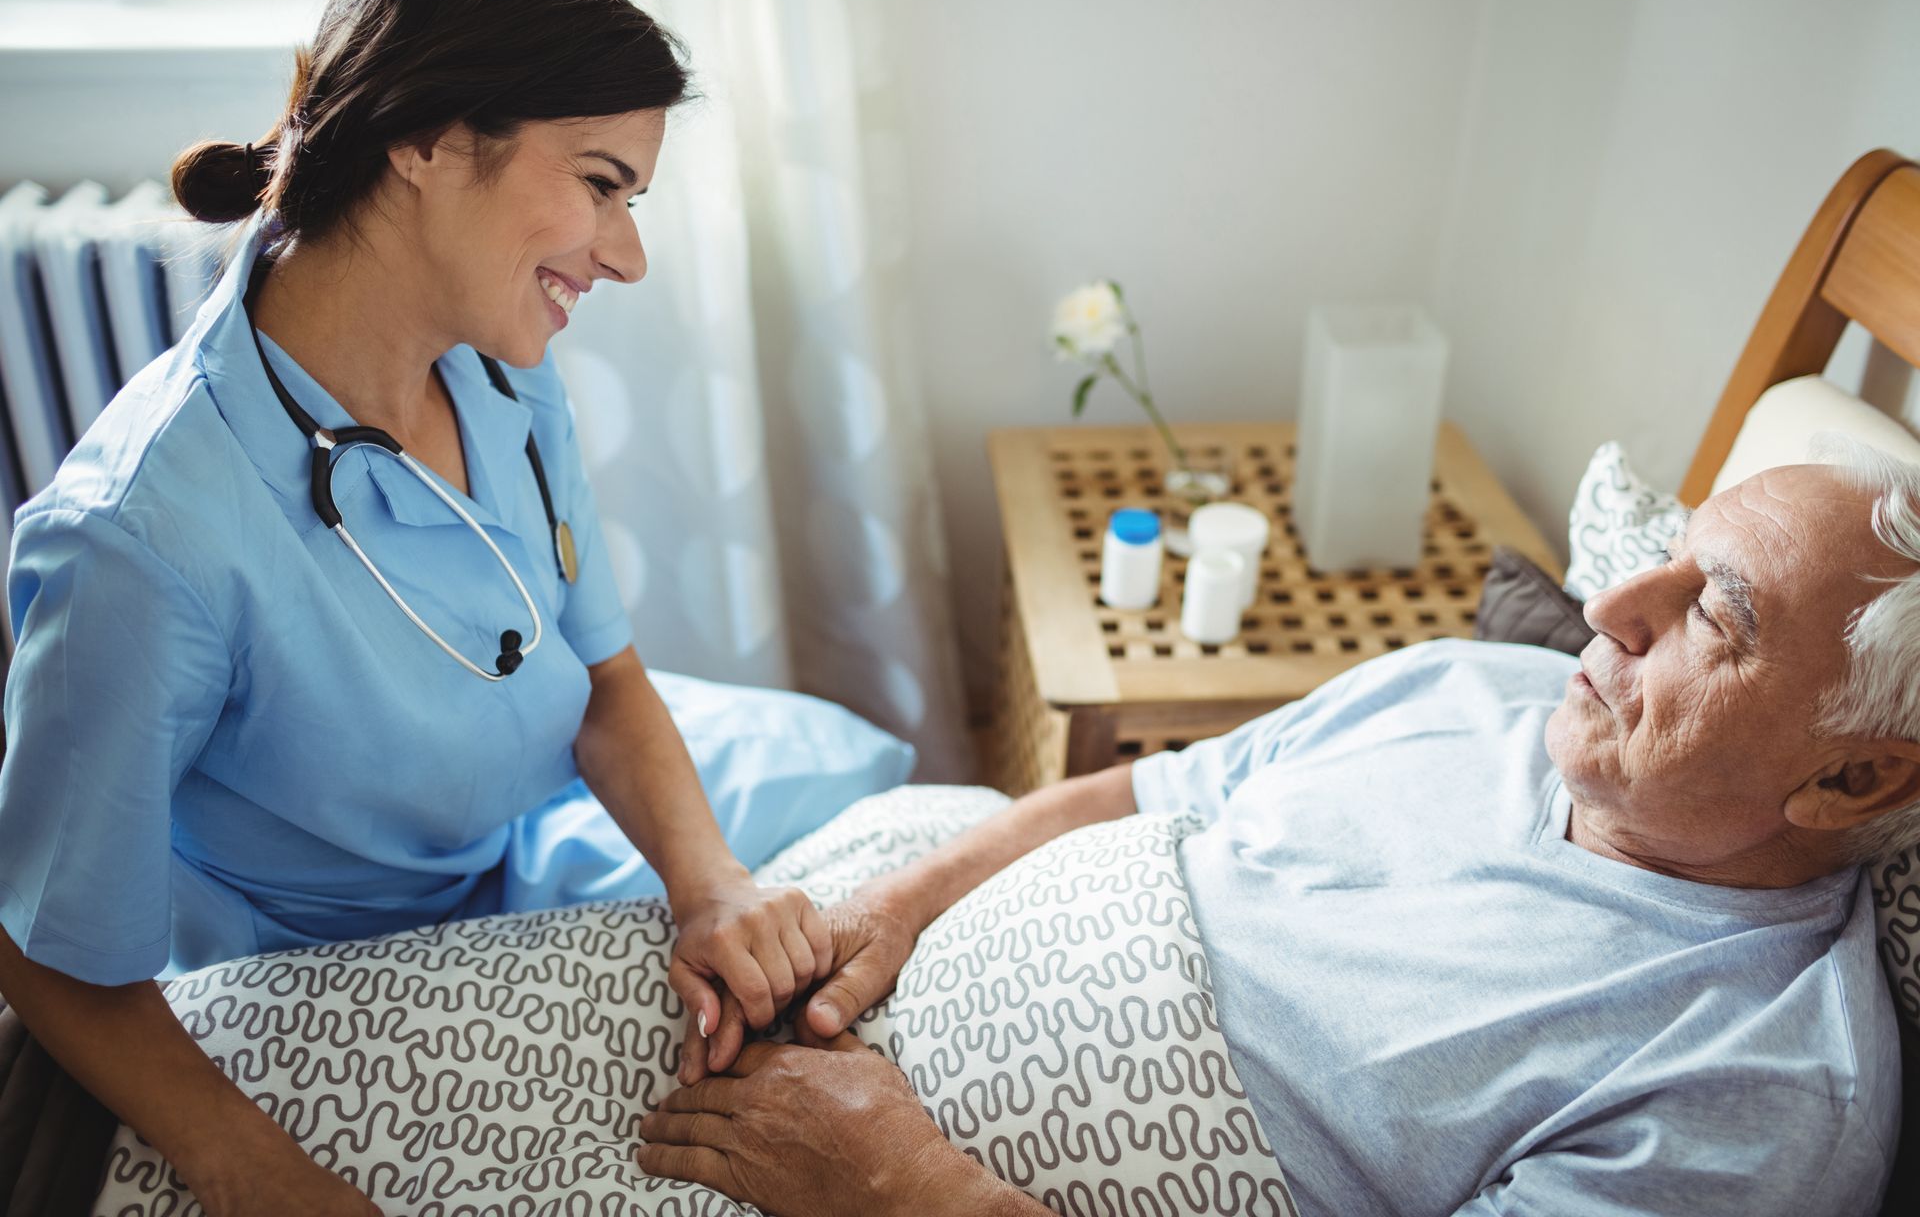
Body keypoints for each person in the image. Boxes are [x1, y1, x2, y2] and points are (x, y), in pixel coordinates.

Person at [0, 0, 834, 1213]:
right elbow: (44, 945)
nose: (627, 256)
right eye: (603, 185)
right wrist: (252, 1166)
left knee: (862, 788)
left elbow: (604, 676)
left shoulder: (499, 363)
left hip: (524, 834)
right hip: (333, 962)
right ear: (429, 139)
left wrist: (711, 886)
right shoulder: (140, 545)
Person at [640, 448, 1920, 1217]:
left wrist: (899, 1186)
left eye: (1720, 616)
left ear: (1852, 777)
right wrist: (896, 905)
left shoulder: (1763, 1096)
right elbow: (1144, 789)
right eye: (1671, 557)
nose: (1616, 603)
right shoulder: (1481, 685)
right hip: (851, 974)